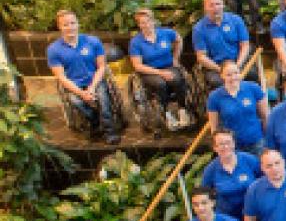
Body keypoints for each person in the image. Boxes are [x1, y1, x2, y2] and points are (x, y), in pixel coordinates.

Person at [47, 10, 121, 143]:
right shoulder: (53, 50)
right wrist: (82, 93)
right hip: (74, 84)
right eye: (65, 24)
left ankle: (110, 131)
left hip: (95, 80)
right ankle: (95, 121)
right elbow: (62, 78)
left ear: (78, 24)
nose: (70, 27)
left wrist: (91, 88)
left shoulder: (92, 41)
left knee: (103, 99)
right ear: (59, 27)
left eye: (72, 23)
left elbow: (102, 67)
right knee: (76, 101)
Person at [126, 8, 191, 129]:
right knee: (160, 84)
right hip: (149, 71)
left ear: (153, 21)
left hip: (168, 66)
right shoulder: (136, 42)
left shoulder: (165, 33)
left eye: (148, 21)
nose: (146, 25)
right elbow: (137, 66)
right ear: (139, 25)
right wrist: (160, 73)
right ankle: (166, 113)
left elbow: (178, 39)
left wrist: (176, 58)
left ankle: (183, 109)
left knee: (177, 79)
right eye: (142, 23)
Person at [206, 60, 268, 153]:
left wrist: (268, 139)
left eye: (236, 73)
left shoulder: (253, 88)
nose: (233, 77)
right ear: (222, 76)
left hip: (256, 142)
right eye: (229, 75)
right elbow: (214, 128)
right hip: (232, 146)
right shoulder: (214, 97)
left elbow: (265, 116)